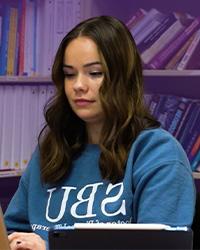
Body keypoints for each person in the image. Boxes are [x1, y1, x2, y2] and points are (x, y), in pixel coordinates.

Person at [5, 15, 195, 250]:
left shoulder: (159, 154)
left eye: (94, 73)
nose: (78, 85)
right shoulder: (51, 151)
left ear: (123, 77)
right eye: (69, 74)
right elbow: (12, 231)